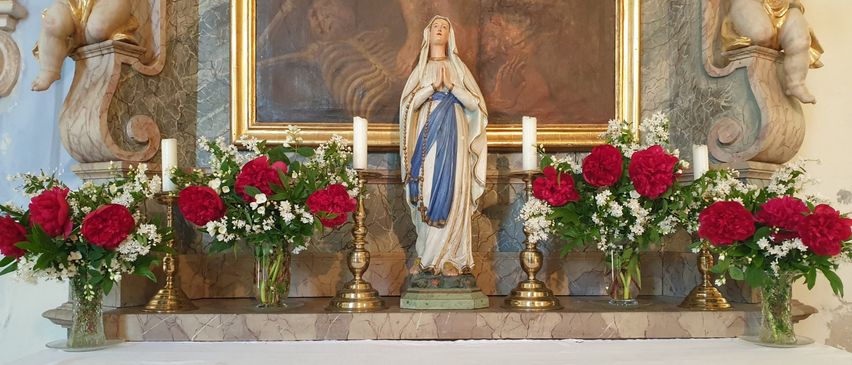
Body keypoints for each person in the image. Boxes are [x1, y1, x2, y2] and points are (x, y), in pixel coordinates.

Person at [399, 16, 487, 277]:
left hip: (454, 135)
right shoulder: (421, 69)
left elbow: (475, 105)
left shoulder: (458, 68)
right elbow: (408, 106)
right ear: (427, 34)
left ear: (450, 35)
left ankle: (452, 258)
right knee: (426, 188)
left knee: (453, 187)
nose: (439, 30)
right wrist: (431, 88)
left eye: (444, 27)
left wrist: (452, 88)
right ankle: (426, 256)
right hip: (426, 135)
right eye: (435, 27)